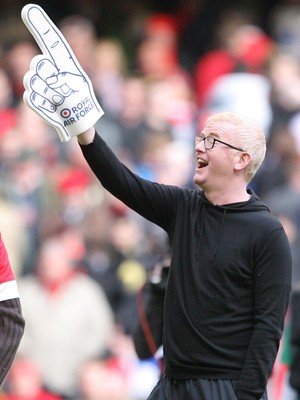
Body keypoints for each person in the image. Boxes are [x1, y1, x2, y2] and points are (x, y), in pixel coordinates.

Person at [21, 5, 292, 399]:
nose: (200, 145)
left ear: (241, 160)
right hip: (170, 385)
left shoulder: (266, 232)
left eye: (212, 141)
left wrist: (246, 396)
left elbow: (269, 328)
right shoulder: (183, 206)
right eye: (200, 137)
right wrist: (84, 128)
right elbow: (122, 182)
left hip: (225, 390)